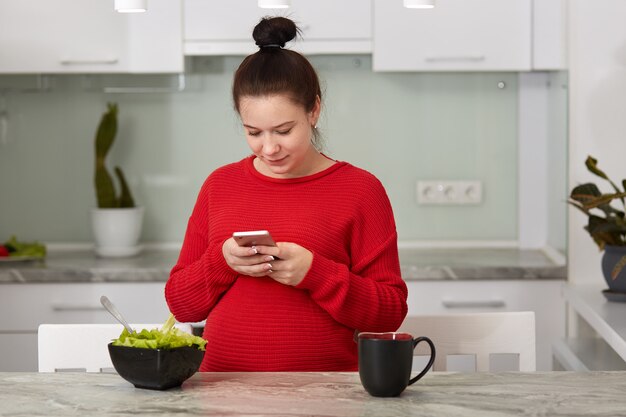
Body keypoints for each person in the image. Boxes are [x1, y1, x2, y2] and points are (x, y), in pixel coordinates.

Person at [165, 16, 408, 372]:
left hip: (329, 395)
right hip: (222, 394)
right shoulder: (220, 185)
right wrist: (222, 262)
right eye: (254, 132)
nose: (269, 148)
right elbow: (182, 305)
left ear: (314, 110)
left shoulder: (360, 190)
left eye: (283, 130)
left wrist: (316, 273)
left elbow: (389, 313)